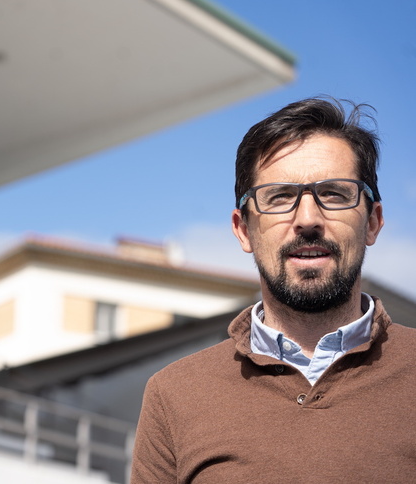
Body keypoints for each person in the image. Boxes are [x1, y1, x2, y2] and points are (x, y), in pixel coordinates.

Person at [130, 97, 416, 483]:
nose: (308, 219)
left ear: (373, 222)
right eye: (280, 197)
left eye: (334, 193)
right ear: (244, 230)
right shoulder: (173, 395)